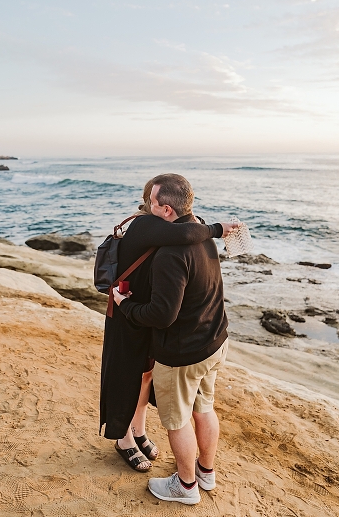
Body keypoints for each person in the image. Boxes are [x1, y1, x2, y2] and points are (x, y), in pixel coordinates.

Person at [100, 177, 235, 473]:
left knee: (146, 376)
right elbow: (190, 232)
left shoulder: (174, 228)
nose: (151, 204)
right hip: (127, 311)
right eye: (151, 200)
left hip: (149, 313)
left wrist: (210, 229)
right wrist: (217, 229)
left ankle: (138, 431)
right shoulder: (143, 224)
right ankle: (123, 439)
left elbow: (189, 232)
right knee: (127, 376)